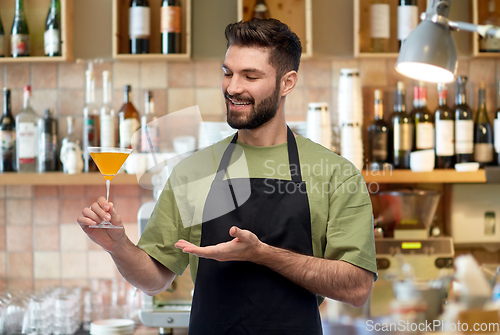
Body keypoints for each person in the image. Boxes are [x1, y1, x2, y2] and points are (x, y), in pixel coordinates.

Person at [78, 19, 377, 334]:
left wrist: (262, 254)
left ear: (287, 83)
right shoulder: (195, 170)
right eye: (227, 73)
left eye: (250, 75)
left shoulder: (335, 173)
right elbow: (155, 279)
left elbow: (356, 288)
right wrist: (119, 246)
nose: (233, 87)